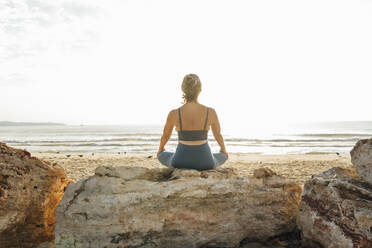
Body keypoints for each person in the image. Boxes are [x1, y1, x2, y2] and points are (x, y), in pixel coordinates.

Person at [157, 74, 228, 170]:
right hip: (206, 161)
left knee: (162, 155)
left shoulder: (174, 113)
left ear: (183, 89)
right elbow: (218, 135)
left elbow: (165, 136)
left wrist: (160, 150)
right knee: (222, 156)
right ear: (200, 90)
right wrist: (223, 150)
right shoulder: (210, 112)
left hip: (179, 161)